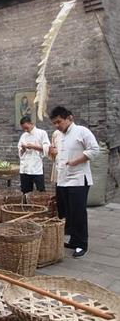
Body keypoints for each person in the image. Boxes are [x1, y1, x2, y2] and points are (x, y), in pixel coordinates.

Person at [49, 106, 99, 258]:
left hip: (78, 179)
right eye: (54, 123)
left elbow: (94, 150)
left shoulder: (82, 131)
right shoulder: (58, 135)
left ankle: (82, 244)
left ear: (69, 118)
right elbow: (58, 155)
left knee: (78, 213)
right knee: (67, 212)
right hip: (63, 179)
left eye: (59, 122)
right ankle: (73, 240)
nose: (57, 126)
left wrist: (76, 161)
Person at [17, 116, 50, 194]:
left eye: (26, 128)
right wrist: (23, 149)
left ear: (31, 124)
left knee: (41, 191)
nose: (25, 130)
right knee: (25, 192)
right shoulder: (23, 136)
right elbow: (20, 152)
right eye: (23, 128)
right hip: (25, 168)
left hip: (36, 167)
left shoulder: (42, 133)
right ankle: (26, 206)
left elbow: (47, 148)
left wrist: (33, 146)